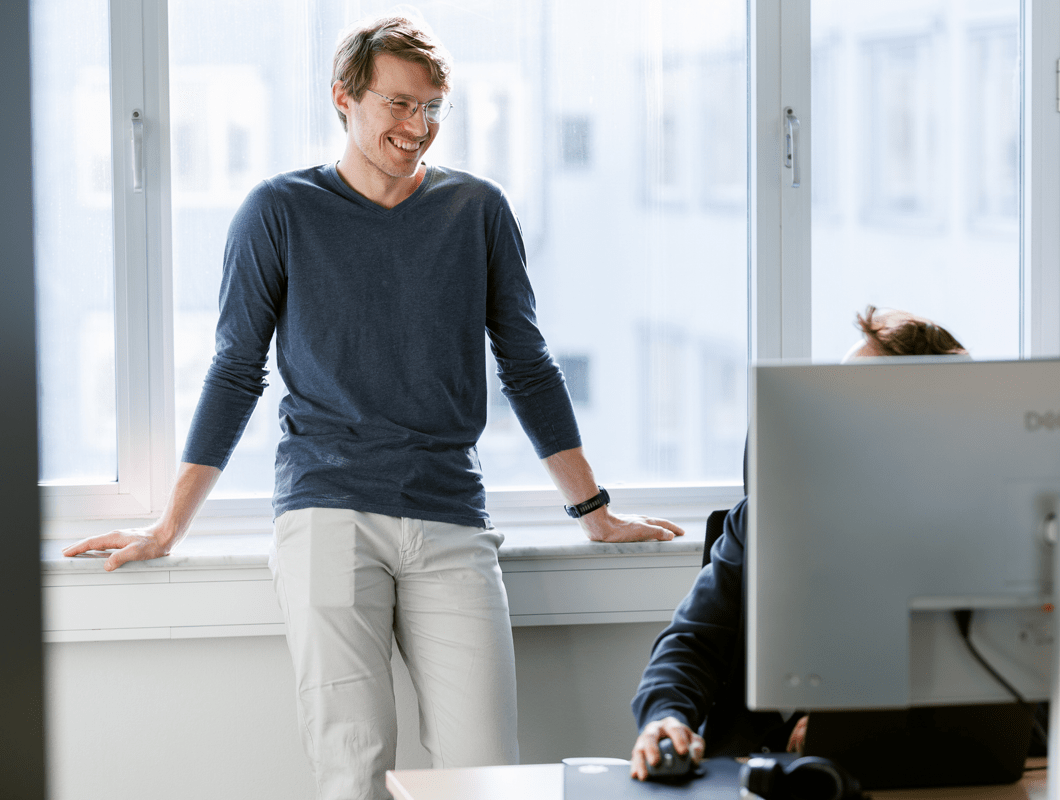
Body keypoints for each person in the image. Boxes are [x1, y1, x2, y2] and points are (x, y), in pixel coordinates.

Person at [63, 14, 684, 800]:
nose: (417, 127)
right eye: (398, 104)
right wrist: (168, 527)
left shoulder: (478, 211)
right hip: (327, 511)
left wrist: (594, 512)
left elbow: (527, 366)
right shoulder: (278, 210)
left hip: (449, 511)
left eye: (432, 108)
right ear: (344, 99)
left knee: (486, 771)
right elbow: (235, 372)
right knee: (352, 768)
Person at [629, 306, 967, 781]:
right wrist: (665, 714)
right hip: (747, 770)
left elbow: (1005, 700)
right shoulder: (763, 519)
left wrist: (855, 724)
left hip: (895, 775)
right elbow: (693, 642)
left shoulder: (969, 539)